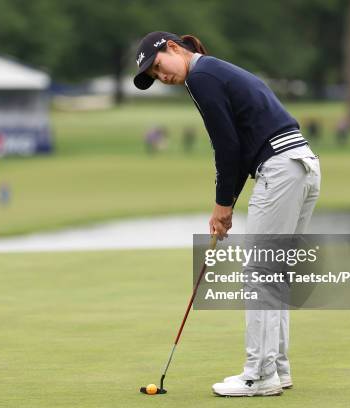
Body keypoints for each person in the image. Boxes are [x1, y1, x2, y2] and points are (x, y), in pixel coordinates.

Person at [133, 31, 321, 397]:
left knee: (260, 271)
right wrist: (227, 205)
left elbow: (227, 146)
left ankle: (258, 374)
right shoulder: (213, 71)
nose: (162, 76)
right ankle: (276, 369)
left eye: (158, 67)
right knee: (274, 271)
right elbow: (236, 145)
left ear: (173, 48)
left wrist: (222, 206)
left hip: (281, 167)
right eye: (155, 76)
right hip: (302, 164)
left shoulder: (201, 78)